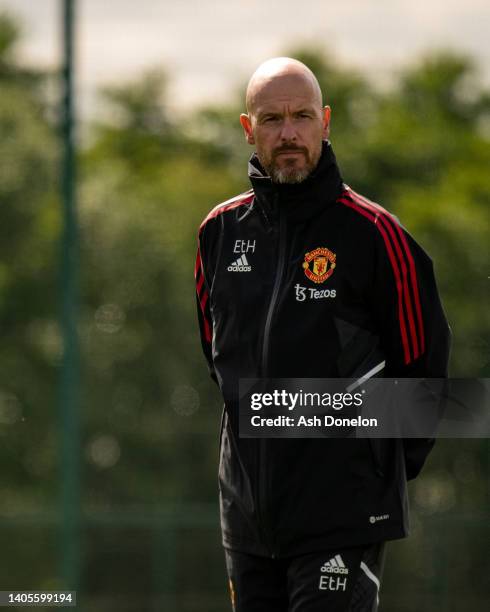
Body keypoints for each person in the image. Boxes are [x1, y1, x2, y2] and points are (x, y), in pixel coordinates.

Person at [195, 57, 450, 612]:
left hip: (343, 519)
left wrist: (370, 475)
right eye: (272, 119)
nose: (289, 133)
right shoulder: (218, 232)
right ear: (247, 128)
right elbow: (219, 360)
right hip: (248, 522)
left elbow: (425, 376)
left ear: (325, 122)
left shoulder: (375, 235)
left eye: (302, 117)